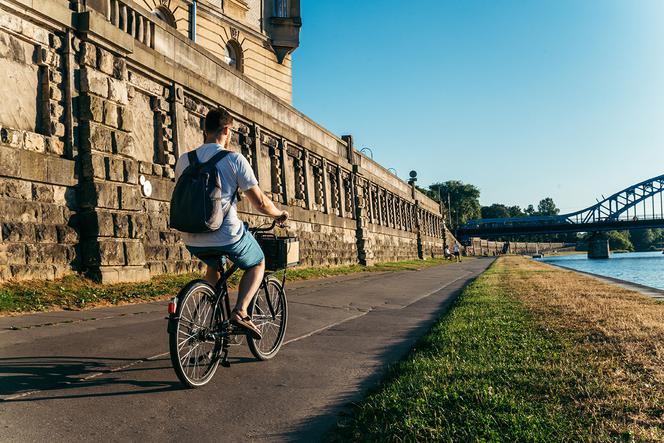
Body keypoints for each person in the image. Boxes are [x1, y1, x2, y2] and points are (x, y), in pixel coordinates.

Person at [174, 108, 288, 340]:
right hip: (226, 235)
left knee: (214, 265)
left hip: (191, 238)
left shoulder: (184, 159)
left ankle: (215, 319)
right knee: (257, 262)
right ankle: (241, 312)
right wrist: (278, 215)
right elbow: (260, 202)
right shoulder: (234, 159)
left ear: (204, 129)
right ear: (227, 130)